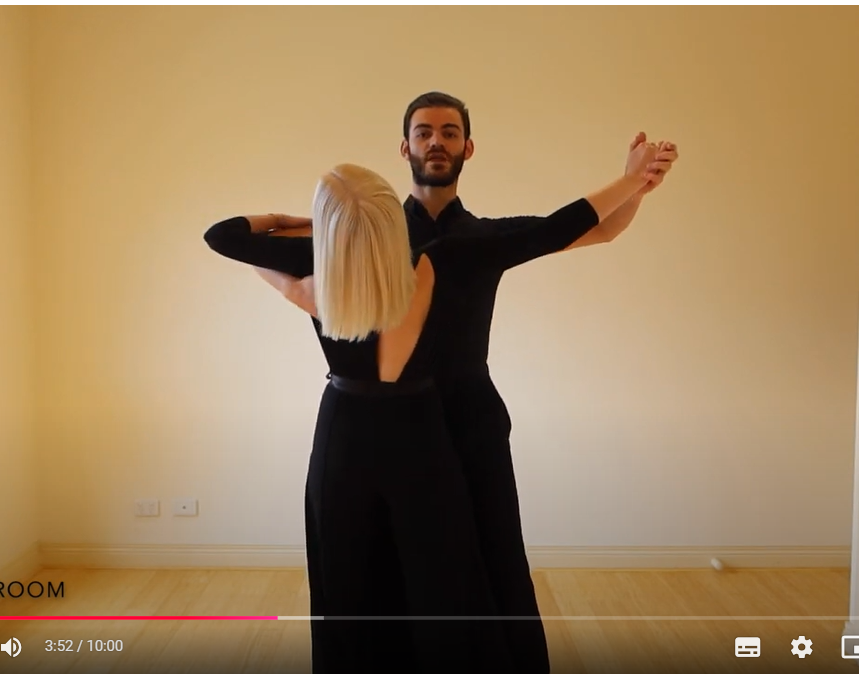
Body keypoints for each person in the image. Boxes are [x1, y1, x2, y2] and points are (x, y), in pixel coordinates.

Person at [254, 91, 679, 672]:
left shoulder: (484, 239)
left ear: (468, 148)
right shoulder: (367, 237)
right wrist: (302, 221)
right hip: (391, 430)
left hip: (470, 424)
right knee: (378, 563)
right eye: (424, 131)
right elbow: (268, 251)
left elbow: (596, 231)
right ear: (404, 147)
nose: (437, 141)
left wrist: (638, 187)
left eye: (449, 132)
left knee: (490, 554)